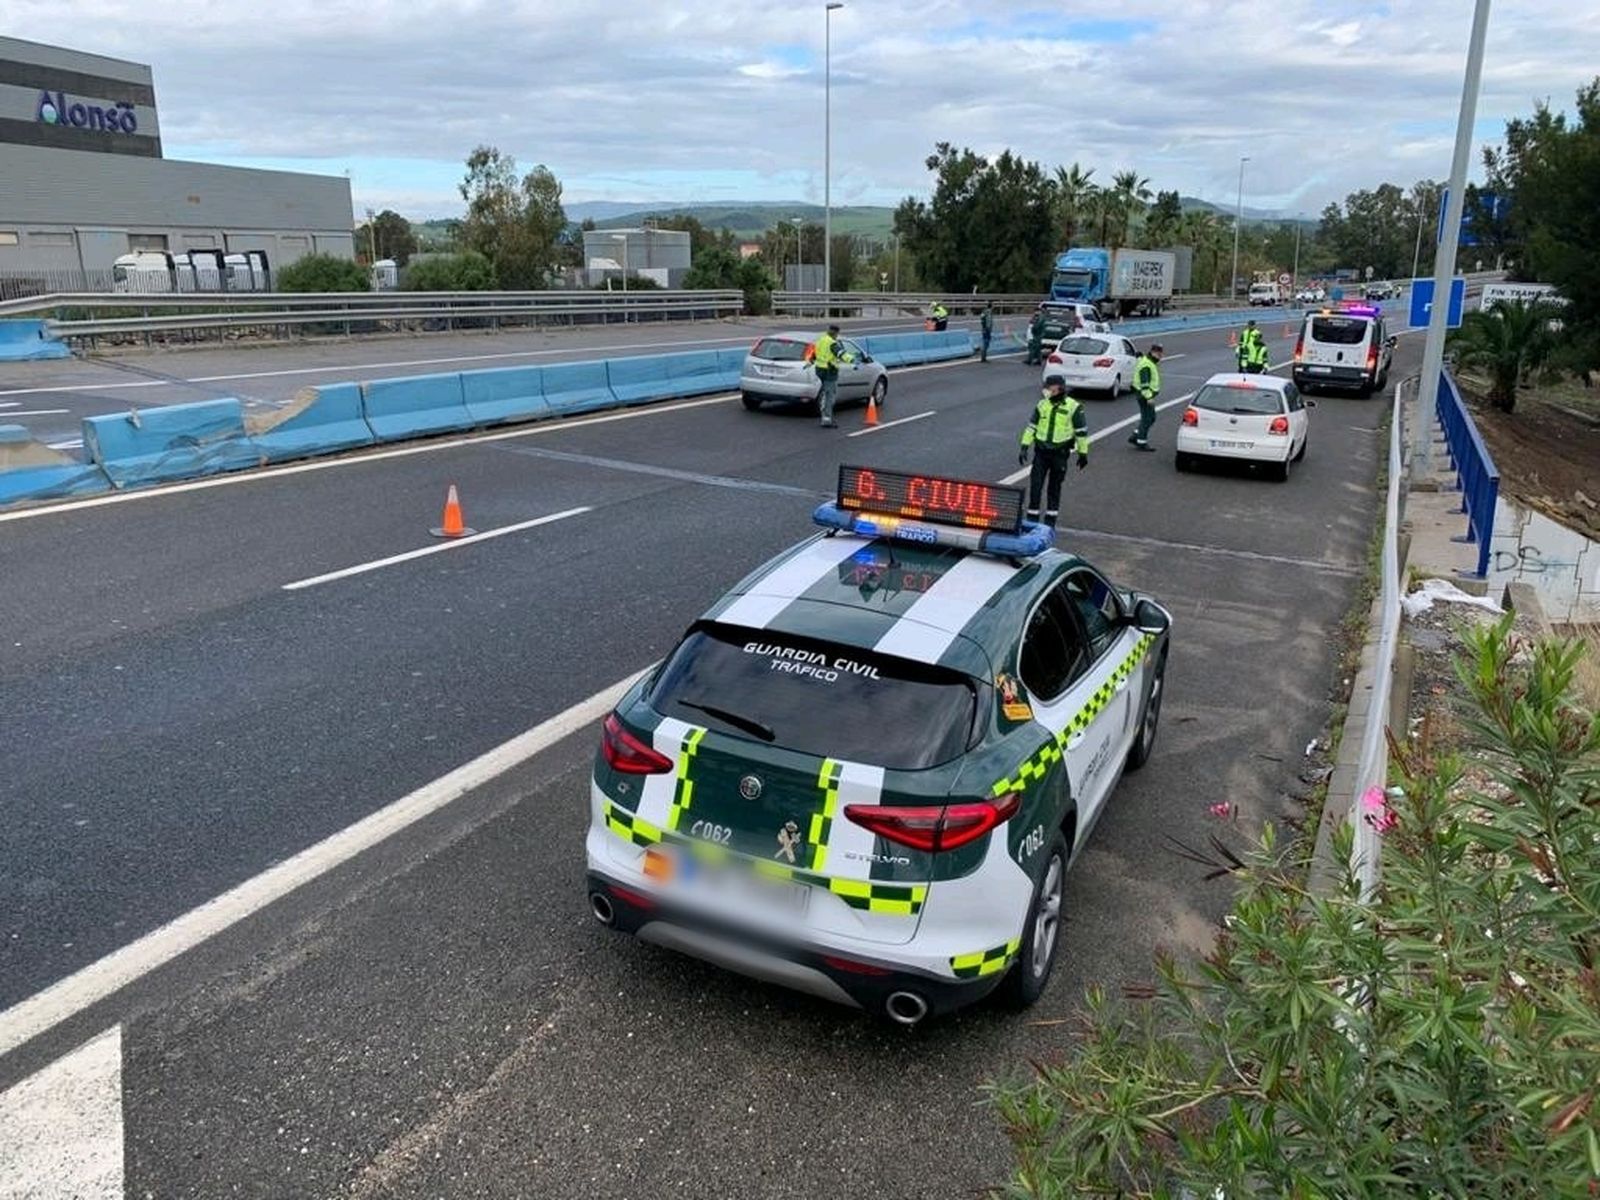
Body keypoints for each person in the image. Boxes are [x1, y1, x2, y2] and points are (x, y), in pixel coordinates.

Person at [1018, 375, 1088, 528]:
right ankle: (1032, 521)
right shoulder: (1042, 404)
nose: (1046, 390)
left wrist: (1083, 453)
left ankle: (1050, 523)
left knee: (1054, 487)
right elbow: (1032, 427)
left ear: (1059, 389)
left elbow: (1081, 432)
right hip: (1041, 453)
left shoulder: (1074, 407)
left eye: (1049, 388)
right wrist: (1024, 446)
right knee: (1036, 486)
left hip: (1060, 453)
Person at [813, 323, 853, 428]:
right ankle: (826, 419)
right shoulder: (832, 343)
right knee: (830, 395)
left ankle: (825, 413)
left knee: (826, 393)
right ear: (836, 333)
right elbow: (840, 353)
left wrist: (811, 362)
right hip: (829, 371)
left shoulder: (821, 340)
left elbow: (814, 354)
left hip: (819, 370)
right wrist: (851, 359)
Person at [1127, 342, 1164, 451]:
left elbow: (1140, 359)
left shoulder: (1147, 361)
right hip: (1144, 395)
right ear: (1152, 352)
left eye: (1161, 353)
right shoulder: (1147, 365)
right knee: (1147, 418)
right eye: (1158, 353)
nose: (1160, 355)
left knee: (1150, 418)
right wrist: (1149, 397)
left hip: (1143, 395)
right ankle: (1141, 442)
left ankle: (1135, 436)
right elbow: (1144, 384)